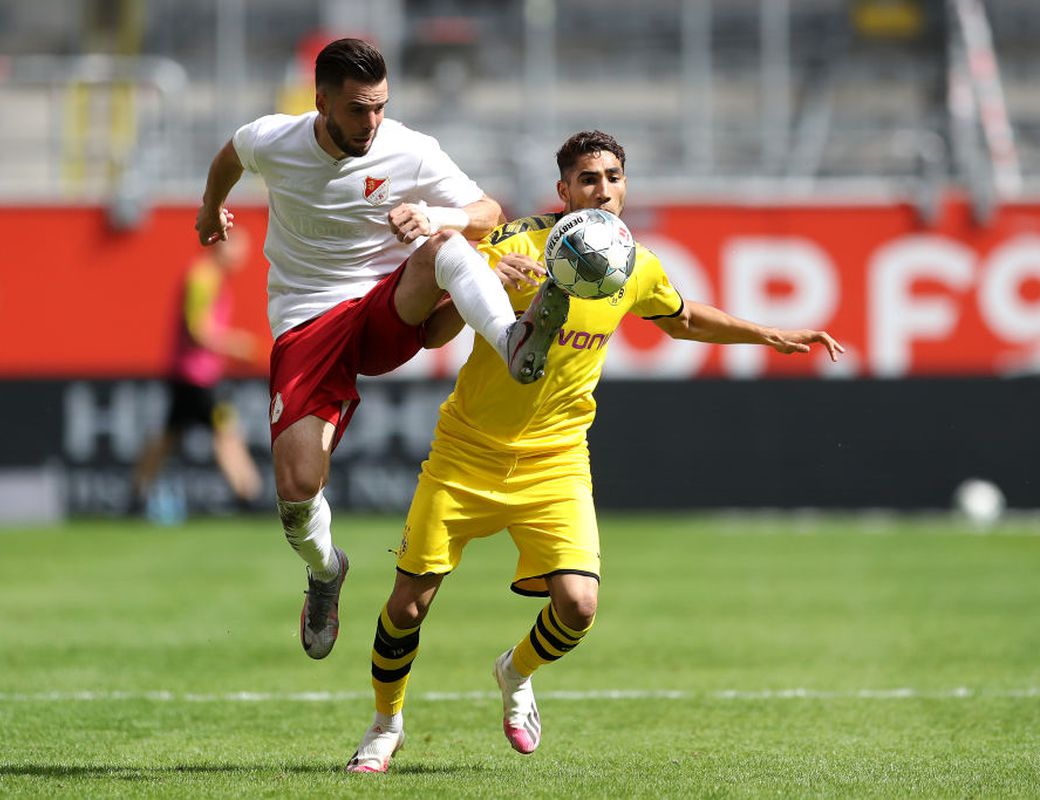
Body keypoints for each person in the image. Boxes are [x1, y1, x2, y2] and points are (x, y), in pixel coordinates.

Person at [345, 130, 844, 772]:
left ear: (624, 186)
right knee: (408, 604)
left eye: (612, 177)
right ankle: (385, 726)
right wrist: (485, 277)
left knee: (578, 606)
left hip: (556, 459)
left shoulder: (632, 262)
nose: (602, 190)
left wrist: (767, 332)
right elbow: (434, 330)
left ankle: (515, 673)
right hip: (467, 452)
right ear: (563, 191)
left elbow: (683, 318)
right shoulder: (515, 243)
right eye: (587, 179)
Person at [194, 38, 565, 660]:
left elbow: (489, 209)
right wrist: (212, 210)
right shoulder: (274, 139)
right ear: (321, 102)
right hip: (307, 320)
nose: (372, 122)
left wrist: (433, 212)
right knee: (295, 488)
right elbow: (230, 156)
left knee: (444, 247)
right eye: (359, 109)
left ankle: (510, 339)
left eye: (380, 106)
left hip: (388, 305)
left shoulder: (410, 150)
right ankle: (324, 571)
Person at [131, 235, 263, 515]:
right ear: (221, 245)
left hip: (191, 375)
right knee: (227, 432)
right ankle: (248, 497)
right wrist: (234, 345)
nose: (243, 257)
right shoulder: (203, 278)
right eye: (239, 248)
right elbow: (197, 330)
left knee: (168, 437)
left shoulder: (211, 277)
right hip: (196, 377)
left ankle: (137, 494)